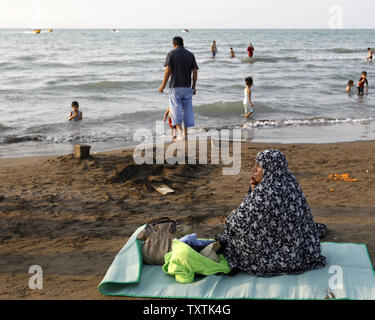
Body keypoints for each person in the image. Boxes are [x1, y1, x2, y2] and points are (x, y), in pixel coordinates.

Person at [215, 149, 327, 277]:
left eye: (259, 166)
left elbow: (235, 224)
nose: (254, 169)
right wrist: (254, 190)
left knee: (234, 226)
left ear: (269, 169)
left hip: (276, 251)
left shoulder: (264, 194)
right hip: (293, 242)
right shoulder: (290, 182)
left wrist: (232, 216)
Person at [158, 36, 199, 140]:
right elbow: (195, 71)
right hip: (187, 87)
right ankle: (186, 134)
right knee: (187, 110)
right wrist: (193, 86)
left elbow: (167, 70)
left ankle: (180, 134)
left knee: (175, 109)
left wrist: (162, 85)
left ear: (174, 44)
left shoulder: (171, 53)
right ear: (182, 43)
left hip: (175, 87)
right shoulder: (190, 55)